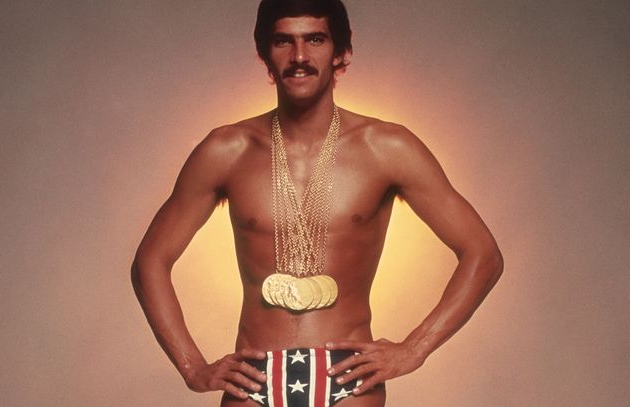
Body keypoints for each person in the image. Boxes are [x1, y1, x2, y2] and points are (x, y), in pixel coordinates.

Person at [131, 1, 503, 406]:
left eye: (315, 39)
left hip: (347, 377)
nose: (299, 57)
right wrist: (192, 367)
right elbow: (150, 261)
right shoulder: (227, 150)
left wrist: (414, 349)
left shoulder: (387, 148)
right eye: (283, 41)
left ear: (340, 52)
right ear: (264, 54)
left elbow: (483, 254)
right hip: (256, 378)